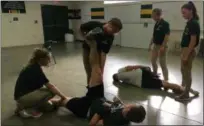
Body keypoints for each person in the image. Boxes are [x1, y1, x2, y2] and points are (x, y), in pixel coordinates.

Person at [52, 43, 146, 126]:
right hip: (97, 98)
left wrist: (99, 112)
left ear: (128, 110)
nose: (130, 104)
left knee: (62, 101)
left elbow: (93, 124)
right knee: (97, 72)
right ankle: (94, 45)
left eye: (132, 105)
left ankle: (49, 103)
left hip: (85, 108)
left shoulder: (115, 121)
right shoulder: (125, 111)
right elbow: (115, 107)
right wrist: (117, 103)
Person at [14, 48, 67, 118]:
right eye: (48, 59)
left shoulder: (33, 66)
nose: (49, 61)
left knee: (49, 107)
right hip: (22, 97)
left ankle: (29, 105)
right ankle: (26, 108)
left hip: (23, 95)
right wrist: (63, 97)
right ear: (41, 59)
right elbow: (50, 86)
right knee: (51, 91)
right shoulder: (35, 69)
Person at [80, 18, 123, 85]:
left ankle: (96, 88)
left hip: (98, 52)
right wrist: (85, 38)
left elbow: (104, 53)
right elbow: (81, 28)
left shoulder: (110, 37)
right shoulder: (95, 25)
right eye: (113, 30)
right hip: (87, 49)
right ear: (109, 24)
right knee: (89, 72)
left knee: (97, 73)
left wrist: (102, 69)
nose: (113, 33)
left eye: (115, 32)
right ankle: (90, 89)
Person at [112, 65, 199, 96]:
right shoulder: (122, 72)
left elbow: (132, 67)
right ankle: (186, 89)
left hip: (142, 80)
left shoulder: (120, 74)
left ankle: (187, 90)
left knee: (167, 84)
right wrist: (145, 68)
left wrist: (145, 68)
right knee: (166, 84)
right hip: (143, 74)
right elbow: (133, 66)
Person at [176, 1, 200, 100]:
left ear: (191, 11)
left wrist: (186, 55)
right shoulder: (190, 22)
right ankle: (187, 89)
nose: (182, 15)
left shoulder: (193, 23)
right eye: (182, 13)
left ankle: (186, 94)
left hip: (188, 49)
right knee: (183, 70)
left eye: (184, 12)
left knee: (186, 72)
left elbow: (193, 41)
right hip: (185, 49)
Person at [149, 8, 170, 81]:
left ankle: (166, 80)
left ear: (158, 15)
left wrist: (163, 46)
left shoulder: (165, 24)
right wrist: (150, 44)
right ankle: (154, 74)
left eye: (153, 16)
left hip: (162, 46)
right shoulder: (156, 24)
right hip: (155, 45)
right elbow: (154, 35)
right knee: (153, 61)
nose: (152, 17)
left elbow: (167, 36)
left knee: (163, 64)